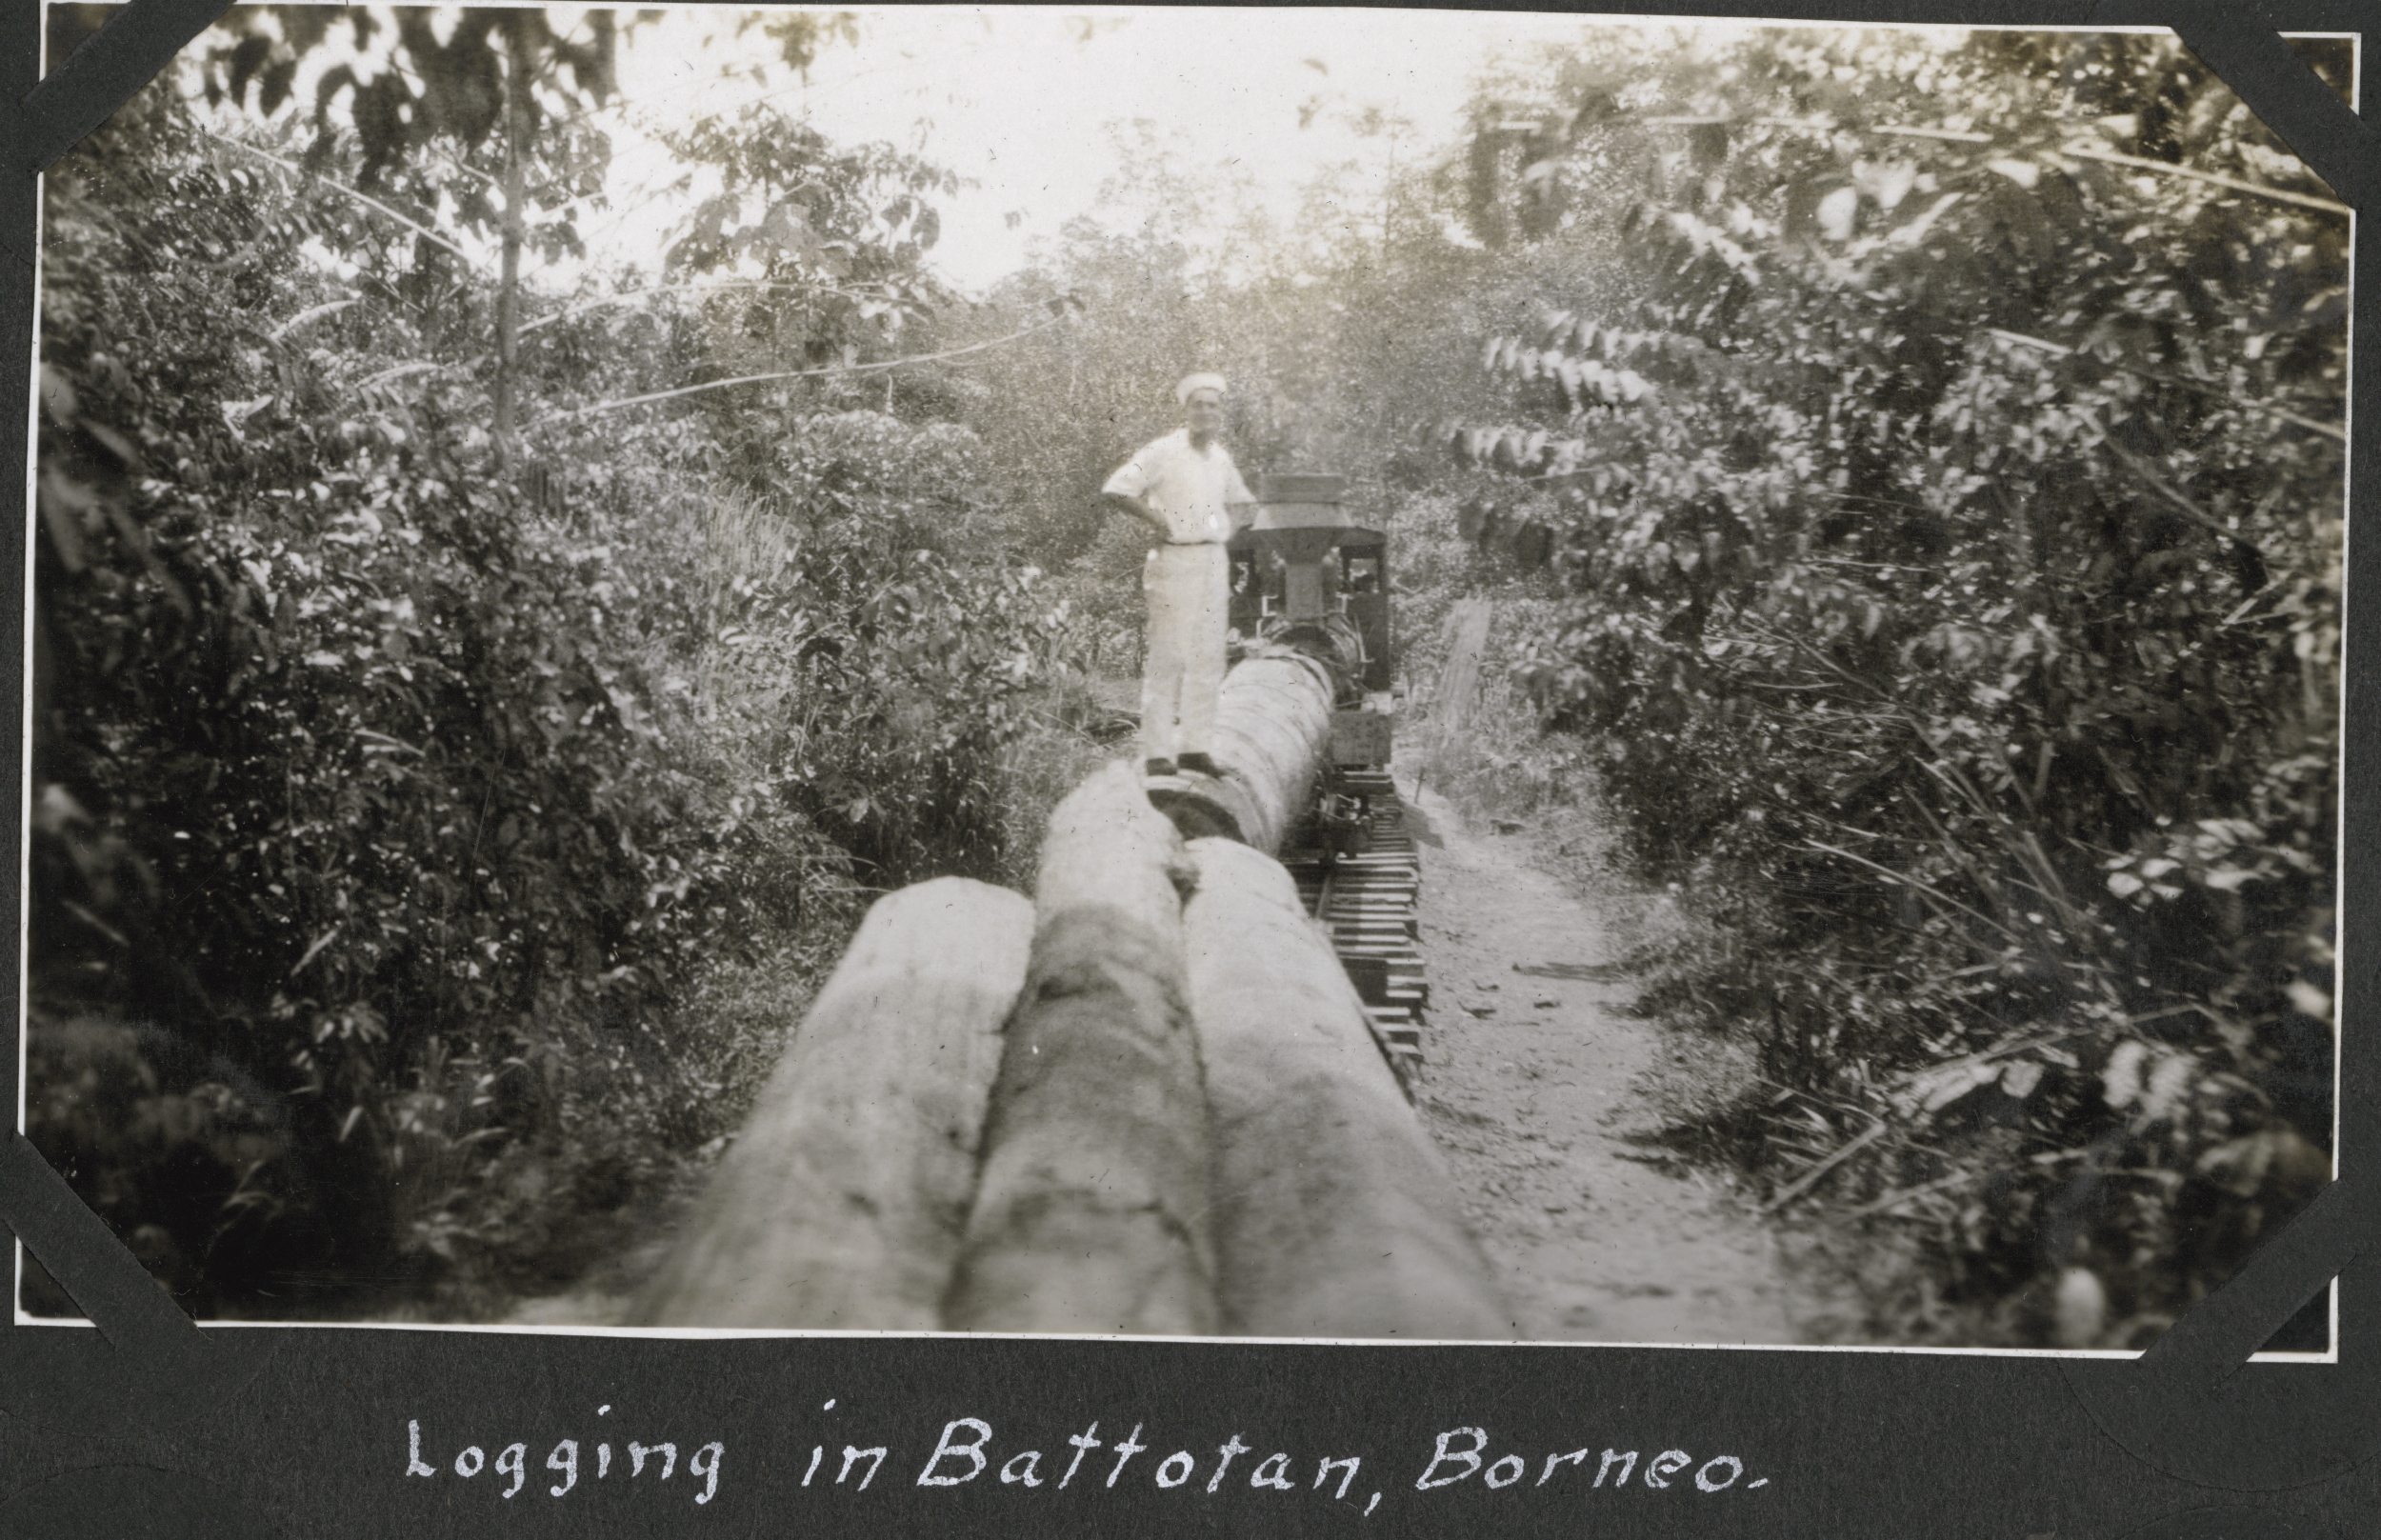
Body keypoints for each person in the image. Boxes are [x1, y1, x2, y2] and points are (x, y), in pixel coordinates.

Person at [1101, 373, 1258, 779]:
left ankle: (1194, 749)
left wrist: (1227, 531)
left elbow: (1245, 503)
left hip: (1212, 561)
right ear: (1185, 410)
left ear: (1221, 414)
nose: (1206, 412)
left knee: (1208, 657)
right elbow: (1116, 489)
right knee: (1168, 657)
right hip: (1173, 562)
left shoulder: (1220, 457)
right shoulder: (1162, 451)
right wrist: (1157, 519)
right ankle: (1157, 754)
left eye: (1213, 406)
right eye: (1198, 405)